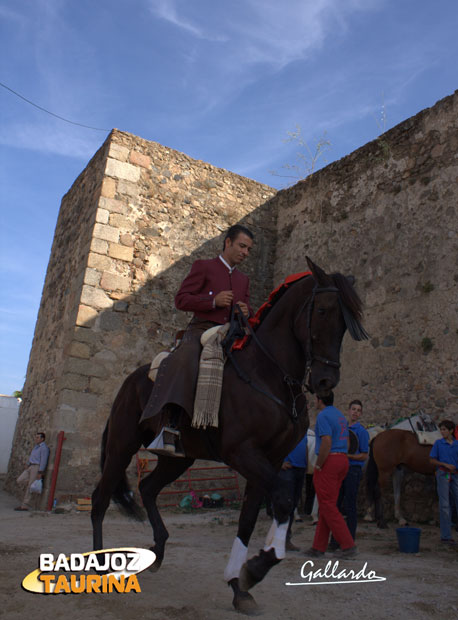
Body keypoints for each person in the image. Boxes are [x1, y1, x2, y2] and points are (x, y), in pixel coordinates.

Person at [141, 224, 254, 455]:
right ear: (228, 243)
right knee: (184, 360)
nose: (246, 253)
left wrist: (247, 310)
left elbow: (247, 308)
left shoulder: (244, 279)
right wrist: (213, 301)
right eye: (242, 246)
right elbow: (181, 300)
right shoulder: (203, 267)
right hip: (201, 330)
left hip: (231, 333)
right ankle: (169, 428)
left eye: (249, 250)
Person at [305, 393, 357, 558]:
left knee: (327, 505)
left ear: (320, 400)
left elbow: (326, 441)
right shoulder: (340, 416)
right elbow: (348, 442)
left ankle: (348, 545)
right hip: (342, 459)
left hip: (330, 461)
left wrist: (318, 464)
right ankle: (318, 547)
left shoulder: (323, 416)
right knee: (328, 505)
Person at [330, 399, 369, 547]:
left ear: (361, 414)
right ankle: (334, 540)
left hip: (353, 470)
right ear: (349, 410)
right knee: (336, 505)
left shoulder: (362, 432)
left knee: (350, 506)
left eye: (358, 410)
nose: (355, 412)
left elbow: (364, 455)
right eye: (353, 409)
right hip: (340, 470)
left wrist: (349, 457)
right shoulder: (342, 430)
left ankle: (349, 541)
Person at [429, 419, 458, 544]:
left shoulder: (457, 444)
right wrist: (444, 464)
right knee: (444, 505)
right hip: (443, 474)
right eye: (441, 429)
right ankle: (446, 535)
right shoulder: (438, 444)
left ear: (451, 431)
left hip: (455, 475)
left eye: (444, 429)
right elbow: (432, 460)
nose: (442, 432)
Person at [277, 433, 308, 551]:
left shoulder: (302, 428)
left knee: (293, 504)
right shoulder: (285, 426)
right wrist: (279, 462)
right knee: (285, 504)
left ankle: (286, 539)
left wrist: (306, 464)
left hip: (300, 468)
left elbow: (305, 447)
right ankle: (278, 539)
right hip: (288, 469)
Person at [15, 432, 50, 511]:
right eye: (36, 437)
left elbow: (43, 460)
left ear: (42, 439)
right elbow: (32, 456)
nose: (36, 439)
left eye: (38, 437)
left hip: (36, 467)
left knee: (29, 487)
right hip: (31, 466)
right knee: (19, 480)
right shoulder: (36, 447)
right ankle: (31, 483)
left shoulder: (44, 448)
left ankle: (25, 505)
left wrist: (40, 472)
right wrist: (28, 464)